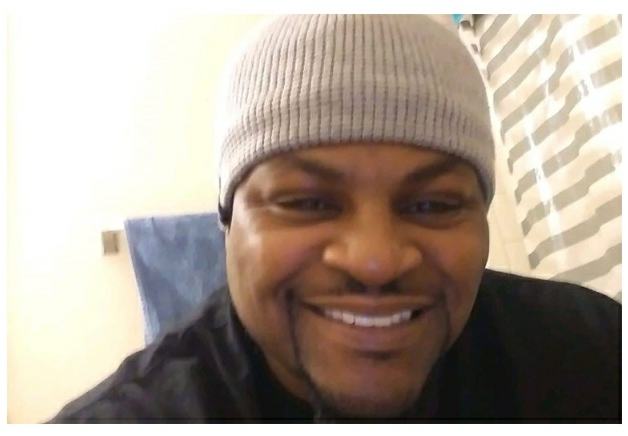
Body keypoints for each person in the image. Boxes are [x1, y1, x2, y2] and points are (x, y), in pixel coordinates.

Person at [50, 14, 620, 422]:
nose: (375, 261)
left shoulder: (594, 357)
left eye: (433, 205)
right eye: (305, 202)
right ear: (228, 222)